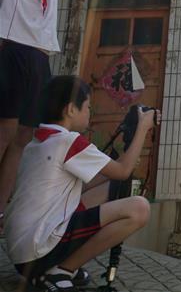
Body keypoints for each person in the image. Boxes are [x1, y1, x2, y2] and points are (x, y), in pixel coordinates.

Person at [0, 0, 140, 228]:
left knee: (24, 136)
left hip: (39, 61)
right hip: (12, 52)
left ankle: (1, 209)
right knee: (5, 129)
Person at [3, 75, 157, 291]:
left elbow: (92, 183)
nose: (89, 113)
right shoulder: (69, 141)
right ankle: (61, 271)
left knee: (110, 189)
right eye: (87, 107)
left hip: (22, 254)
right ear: (70, 110)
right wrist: (143, 127)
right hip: (38, 249)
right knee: (139, 208)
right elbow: (123, 171)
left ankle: (51, 269)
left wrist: (123, 158)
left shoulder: (38, 141)